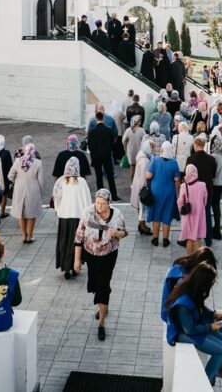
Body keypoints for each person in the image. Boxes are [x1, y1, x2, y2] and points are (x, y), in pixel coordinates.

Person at [165, 263, 222, 386]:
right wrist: (210, 327)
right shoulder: (183, 304)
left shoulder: (192, 290)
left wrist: (213, 315)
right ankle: (204, 384)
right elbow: (189, 330)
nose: (212, 284)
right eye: (211, 282)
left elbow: (201, 309)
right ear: (203, 282)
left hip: (194, 326)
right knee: (221, 352)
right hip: (182, 333)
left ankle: (217, 375)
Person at [73, 189, 128, 341]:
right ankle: (103, 301)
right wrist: (77, 260)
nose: (99, 206)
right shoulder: (87, 213)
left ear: (108, 203)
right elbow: (78, 237)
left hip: (108, 255)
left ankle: (101, 324)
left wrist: (115, 233)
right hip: (90, 254)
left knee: (103, 286)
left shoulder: (116, 215)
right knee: (95, 285)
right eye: (97, 203)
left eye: (103, 204)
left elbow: (124, 232)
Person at [53, 157, 92, 278]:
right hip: (78, 217)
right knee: (77, 243)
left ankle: (66, 268)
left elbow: (56, 199)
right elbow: (88, 201)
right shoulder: (82, 182)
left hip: (64, 217)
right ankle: (76, 265)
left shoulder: (61, 181)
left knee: (64, 242)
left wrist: (58, 211)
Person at [160, 247, 218, 322]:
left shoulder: (180, 266)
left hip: (171, 313)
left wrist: (211, 314)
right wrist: (209, 325)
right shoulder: (185, 283)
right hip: (174, 319)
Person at [145, 141, 181, 247]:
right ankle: (165, 239)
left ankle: (155, 238)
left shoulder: (155, 160)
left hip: (155, 192)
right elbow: (177, 179)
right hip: (169, 193)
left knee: (156, 215)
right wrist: (178, 193)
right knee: (167, 215)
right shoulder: (174, 163)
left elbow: (148, 175)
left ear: (162, 150)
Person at [186, 134, 220, 243]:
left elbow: (187, 175)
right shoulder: (211, 159)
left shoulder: (190, 159)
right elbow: (213, 174)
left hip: (194, 192)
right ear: (204, 145)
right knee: (206, 215)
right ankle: (208, 239)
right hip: (207, 190)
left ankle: (191, 238)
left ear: (195, 145)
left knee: (193, 215)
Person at [9, 143, 44, 243]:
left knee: (21, 212)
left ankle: (24, 235)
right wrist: (41, 192)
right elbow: (41, 180)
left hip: (19, 188)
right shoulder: (38, 163)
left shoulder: (17, 161)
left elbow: (10, 176)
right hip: (33, 188)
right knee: (31, 214)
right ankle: (30, 236)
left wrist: (17, 179)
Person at [87, 111, 120, 200]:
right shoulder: (109, 130)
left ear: (96, 119)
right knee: (110, 176)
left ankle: (100, 196)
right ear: (103, 118)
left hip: (96, 157)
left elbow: (89, 146)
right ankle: (114, 196)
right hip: (107, 156)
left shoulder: (92, 132)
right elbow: (113, 144)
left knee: (99, 177)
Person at [177, 164, 208, 254]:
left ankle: (190, 259)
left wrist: (181, 210)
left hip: (188, 216)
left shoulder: (183, 186)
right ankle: (198, 260)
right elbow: (205, 200)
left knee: (189, 239)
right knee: (198, 238)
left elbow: (180, 202)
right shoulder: (202, 185)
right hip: (199, 215)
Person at [130, 138, 155, 236]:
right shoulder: (145, 160)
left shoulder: (141, 155)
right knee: (142, 209)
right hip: (141, 188)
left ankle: (142, 225)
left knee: (140, 209)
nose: (152, 150)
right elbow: (145, 177)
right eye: (151, 147)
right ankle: (143, 227)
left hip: (137, 186)